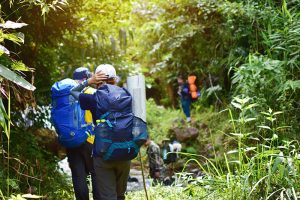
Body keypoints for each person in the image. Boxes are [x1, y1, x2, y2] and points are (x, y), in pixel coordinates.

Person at [70, 64, 131, 200]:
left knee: (108, 196)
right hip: (125, 152)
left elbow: (73, 92)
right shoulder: (126, 95)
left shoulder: (93, 98)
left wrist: (88, 82)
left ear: (97, 80)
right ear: (115, 79)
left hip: (103, 154)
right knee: (120, 195)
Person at [67, 67, 100, 200]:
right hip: (90, 139)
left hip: (71, 139)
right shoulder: (93, 92)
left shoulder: (66, 94)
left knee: (78, 174)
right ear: (87, 78)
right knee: (95, 173)